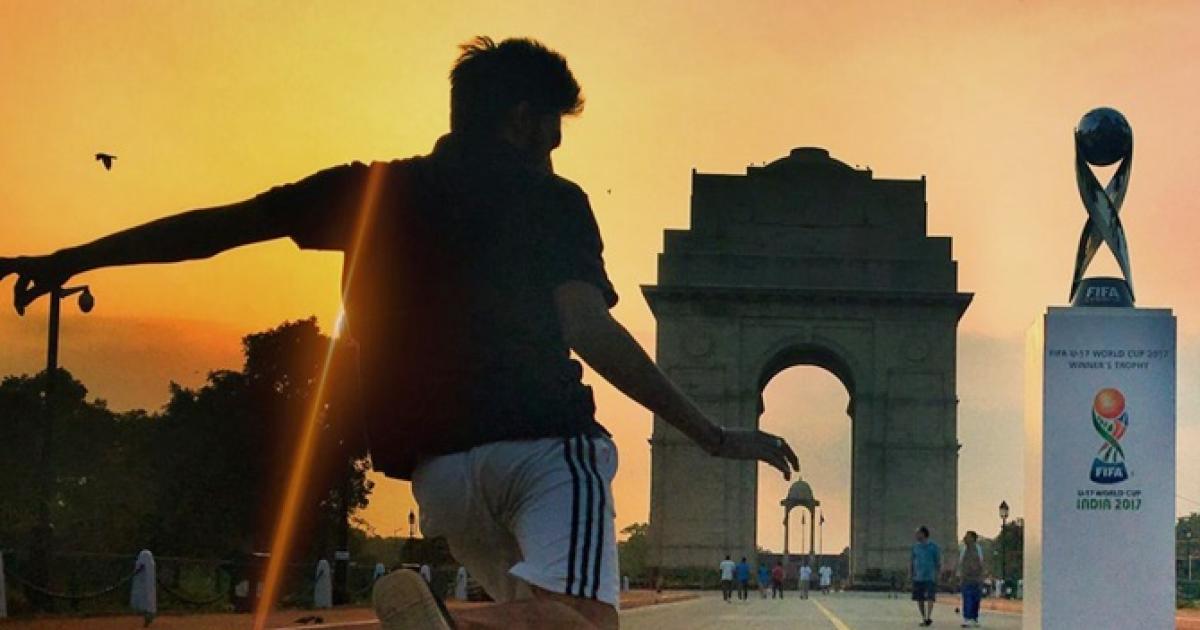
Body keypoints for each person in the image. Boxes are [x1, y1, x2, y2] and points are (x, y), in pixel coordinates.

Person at [0, 36, 801, 630]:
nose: (558, 152)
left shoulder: (372, 191)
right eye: (554, 131)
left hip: (441, 477)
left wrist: (74, 256)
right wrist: (713, 436)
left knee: (530, 620)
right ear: (522, 122)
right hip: (545, 451)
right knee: (581, 622)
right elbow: (587, 328)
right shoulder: (553, 202)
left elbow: (221, 227)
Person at [911, 526, 942, 627]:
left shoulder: (933, 547)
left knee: (930, 597)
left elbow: (938, 562)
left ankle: (928, 617)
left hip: (930, 576)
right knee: (919, 599)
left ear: (923, 534)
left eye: (918, 533)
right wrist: (911, 573)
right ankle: (923, 617)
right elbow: (912, 561)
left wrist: (938, 574)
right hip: (918, 577)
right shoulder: (915, 547)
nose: (916, 535)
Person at [956, 530, 984, 628]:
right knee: (967, 598)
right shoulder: (964, 549)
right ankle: (967, 618)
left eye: (967, 536)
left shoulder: (978, 549)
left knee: (976, 599)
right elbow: (961, 563)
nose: (965, 538)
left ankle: (974, 618)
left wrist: (981, 576)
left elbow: (981, 563)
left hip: (976, 578)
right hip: (966, 578)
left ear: (973, 538)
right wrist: (959, 575)